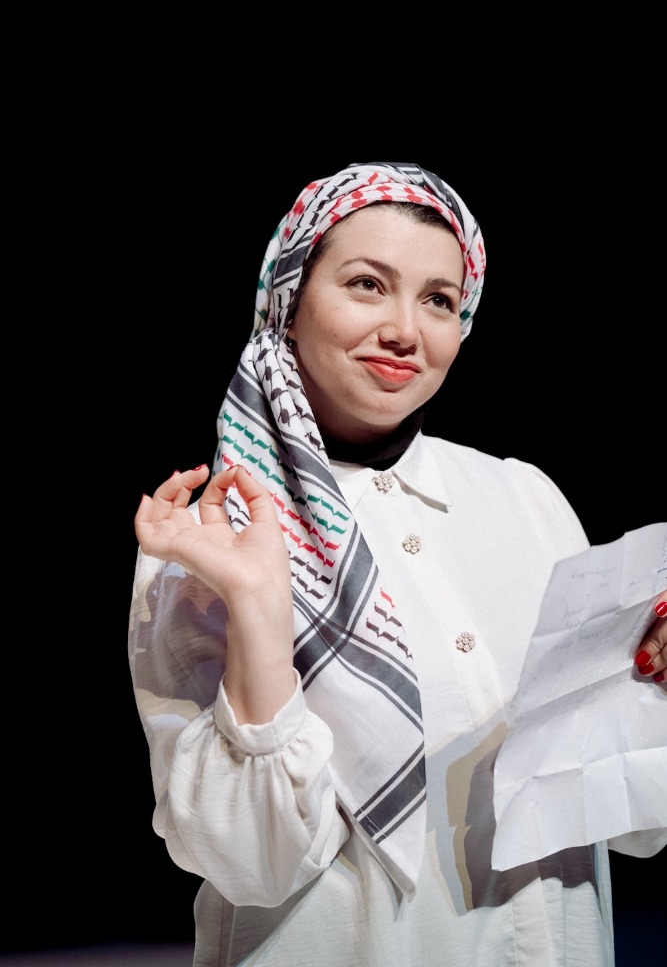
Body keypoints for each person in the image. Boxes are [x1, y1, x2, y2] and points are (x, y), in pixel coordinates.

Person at [128, 161, 666, 966]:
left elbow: (631, 820)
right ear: (287, 302)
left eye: (439, 300)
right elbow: (250, 863)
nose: (404, 331)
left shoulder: (523, 498)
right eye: (366, 285)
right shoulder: (215, 537)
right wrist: (260, 604)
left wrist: (648, 691)